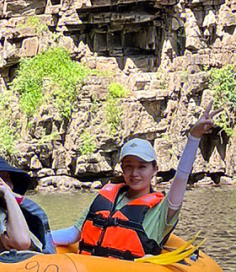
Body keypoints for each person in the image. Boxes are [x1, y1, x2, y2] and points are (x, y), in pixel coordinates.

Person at [51, 103, 216, 258]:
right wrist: (35, 238)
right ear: (122, 169)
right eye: (129, 166)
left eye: (142, 167)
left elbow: (181, 176)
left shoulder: (162, 210)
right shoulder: (108, 196)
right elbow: (74, 234)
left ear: (155, 170)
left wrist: (194, 137)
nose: (134, 173)